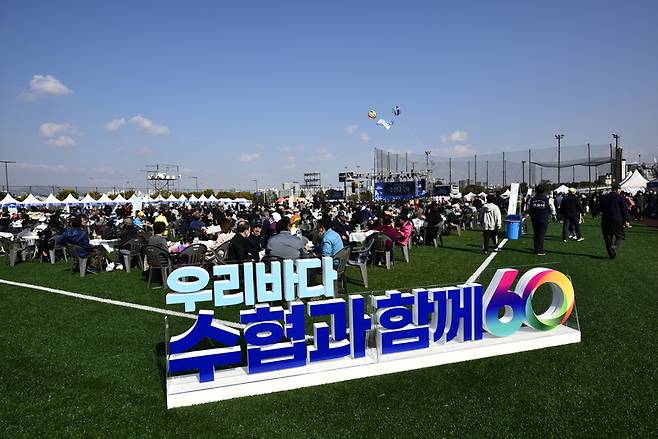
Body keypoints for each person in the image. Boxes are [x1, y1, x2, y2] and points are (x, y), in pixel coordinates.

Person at [599, 183, 629, 259]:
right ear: (617, 189)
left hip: (605, 220)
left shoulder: (605, 197)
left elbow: (600, 208)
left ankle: (612, 254)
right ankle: (614, 247)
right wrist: (626, 220)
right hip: (617, 220)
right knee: (620, 237)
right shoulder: (621, 198)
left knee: (608, 238)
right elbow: (624, 210)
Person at [528, 185, 551, 256]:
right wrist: (552, 214)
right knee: (541, 234)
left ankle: (536, 249)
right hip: (544, 218)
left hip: (534, 219)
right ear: (544, 191)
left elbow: (530, 209)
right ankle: (540, 250)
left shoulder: (532, 199)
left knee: (536, 234)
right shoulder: (547, 199)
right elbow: (552, 208)